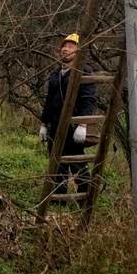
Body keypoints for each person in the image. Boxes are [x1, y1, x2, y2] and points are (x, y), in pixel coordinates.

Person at [39, 33, 97, 200]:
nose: (65, 49)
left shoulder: (83, 72)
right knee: (57, 163)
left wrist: (83, 124)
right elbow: (49, 101)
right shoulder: (56, 73)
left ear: (78, 51)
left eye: (71, 46)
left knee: (77, 163)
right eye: (64, 46)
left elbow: (89, 99)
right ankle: (59, 200)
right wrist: (44, 124)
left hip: (73, 127)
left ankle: (85, 199)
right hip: (55, 126)